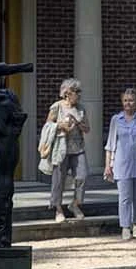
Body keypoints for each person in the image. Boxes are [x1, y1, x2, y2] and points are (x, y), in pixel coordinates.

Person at [104, 88, 136, 241]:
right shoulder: (116, 120)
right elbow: (110, 145)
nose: (128, 103)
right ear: (122, 102)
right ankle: (125, 227)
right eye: (125, 100)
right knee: (125, 198)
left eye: (131, 100)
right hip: (121, 164)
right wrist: (108, 165)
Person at [46, 78, 90, 223]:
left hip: (78, 148)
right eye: (76, 92)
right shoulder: (56, 107)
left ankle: (75, 204)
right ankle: (58, 209)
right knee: (59, 180)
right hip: (61, 148)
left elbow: (87, 129)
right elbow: (47, 126)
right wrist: (61, 126)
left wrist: (77, 121)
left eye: (79, 92)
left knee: (82, 176)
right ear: (67, 93)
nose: (79, 95)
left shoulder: (81, 108)